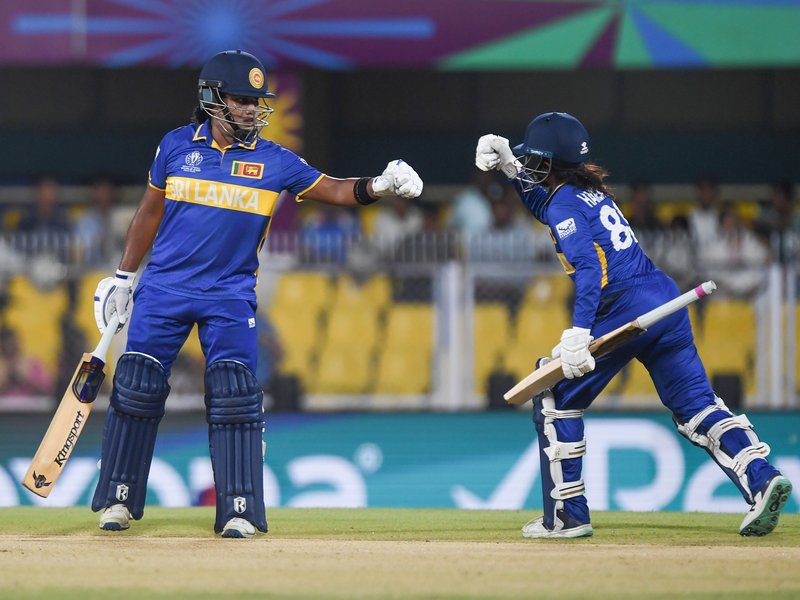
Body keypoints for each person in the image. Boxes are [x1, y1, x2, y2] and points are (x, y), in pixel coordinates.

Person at [90, 49, 422, 539]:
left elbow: (333, 190)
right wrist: (123, 276)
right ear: (212, 98)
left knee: (235, 396)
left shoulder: (275, 160)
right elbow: (149, 212)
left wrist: (380, 184)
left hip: (228, 295)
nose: (251, 110)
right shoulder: (176, 146)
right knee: (137, 387)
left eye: (256, 101)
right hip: (164, 288)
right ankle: (118, 499)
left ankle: (239, 509)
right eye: (241, 100)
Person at [475, 112, 792, 539]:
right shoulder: (588, 192)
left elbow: (589, 268)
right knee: (698, 406)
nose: (530, 164)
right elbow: (545, 207)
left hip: (624, 307)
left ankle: (568, 517)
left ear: (551, 162)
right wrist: (511, 168)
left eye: (534, 159)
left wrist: (579, 332)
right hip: (665, 300)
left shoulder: (566, 201)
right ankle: (761, 477)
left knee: (554, 396)